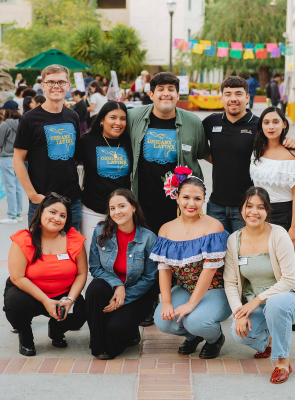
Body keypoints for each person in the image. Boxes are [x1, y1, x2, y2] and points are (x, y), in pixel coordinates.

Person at [127, 72, 209, 326]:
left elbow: (204, 154)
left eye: (171, 89)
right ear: (150, 94)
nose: (166, 93)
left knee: (177, 254)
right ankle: (147, 302)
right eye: (160, 89)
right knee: (145, 254)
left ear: (177, 94)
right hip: (142, 202)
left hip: (178, 207)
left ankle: (176, 301)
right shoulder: (133, 117)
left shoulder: (193, 122)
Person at [224, 187, 295, 384]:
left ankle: (282, 361)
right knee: (239, 335)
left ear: (267, 211)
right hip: (259, 304)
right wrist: (239, 312)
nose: (254, 212)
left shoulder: (279, 235)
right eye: (249, 206)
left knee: (275, 305)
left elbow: (289, 279)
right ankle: (270, 341)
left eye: (260, 207)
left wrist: (256, 300)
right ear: (241, 209)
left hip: (291, 298)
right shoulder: (234, 240)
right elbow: (229, 282)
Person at [202, 76, 295, 234]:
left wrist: (290, 142)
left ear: (247, 97)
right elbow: (199, 147)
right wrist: (219, 160)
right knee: (217, 256)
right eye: (228, 94)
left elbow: (276, 147)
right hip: (216, 206)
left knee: (244, 255)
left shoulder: (259, 125)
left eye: (238, 94)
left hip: (248, 206)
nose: (233, 99)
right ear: (221, 98)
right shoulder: (211, 122)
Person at [151, 174, 231, 359]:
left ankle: (215, 339)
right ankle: (192, 336)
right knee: (163, 321)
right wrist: (167, 301)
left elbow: (210, 269)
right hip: (186, 287)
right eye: (186, 197)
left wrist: (190, 305)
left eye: (197, 198)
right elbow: (164, 269)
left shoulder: (213, 227)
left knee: (196, 321)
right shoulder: (166, 229)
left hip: (215, 289)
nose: (191, 203)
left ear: (204, 200)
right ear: (177, 197)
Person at [3, 193, 88, 356]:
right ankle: (25, 337)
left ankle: (56, 331)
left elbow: (82, 273)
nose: (57, 218)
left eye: (63, 215)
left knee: (81, 312)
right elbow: (18, 277)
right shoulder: (24, 239)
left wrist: (70, 300)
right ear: (41, 212)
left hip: (62, 294)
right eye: (53, 212)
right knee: (15, 303)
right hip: (29, 294)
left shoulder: (73, 239)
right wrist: (46, 301)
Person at [85, 189, 158, 359]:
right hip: (112, 288)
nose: (117, 212)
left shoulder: (148, 238)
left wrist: (124, 296)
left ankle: (129, 331)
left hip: (139, 293)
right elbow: (95, 268)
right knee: (95, 289)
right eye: (112, 208)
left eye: (121, 206)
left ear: (133, 207)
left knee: (115, 328)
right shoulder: (100, 232)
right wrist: (117, 285)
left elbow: (150, 278)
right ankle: (98, 344)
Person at [13, 64, 83, 231]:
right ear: (43, 86)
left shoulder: (73, 116)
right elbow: (18, 159)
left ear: (68, 86)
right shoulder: (29, 120)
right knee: (40, 253)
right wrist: (32, 195)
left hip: (71, 201)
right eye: (51, 82)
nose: (56, 86)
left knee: (72, 253)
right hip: (42, 201)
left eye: (61, 82)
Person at [250, 107, 295, 250]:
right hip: (259, 214)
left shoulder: (292, 155)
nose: (271, 126)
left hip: (284, 215)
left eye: (276, 122)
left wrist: (294, 227)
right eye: (266, 122)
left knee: (282, 266)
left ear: (284, 124)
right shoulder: (257, 151)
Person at [77, 101, 132, 248]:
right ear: (102, 120)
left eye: (123, 118)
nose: (118, 123)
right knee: (92, 259)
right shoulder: (87, 142)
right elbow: (68, 167)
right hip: (92, 211)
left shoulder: (130, 143)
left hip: (122, 213)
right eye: (113, 117)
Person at [0, 100, 25, 225]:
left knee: (10, 187)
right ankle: (18, 214)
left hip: (7, 158)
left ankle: (11, 215)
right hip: (20, 158)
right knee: (18, 187)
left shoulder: (4, 125)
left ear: (6, 110)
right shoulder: (23, 123)